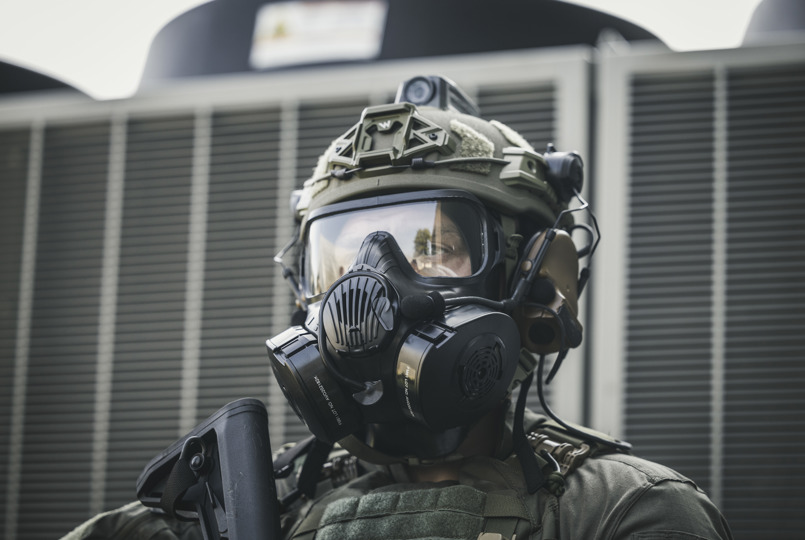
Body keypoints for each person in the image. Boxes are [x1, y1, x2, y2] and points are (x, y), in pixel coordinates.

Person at [62, 76, 732, 540]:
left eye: (431, 247)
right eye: (340, 258)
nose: (370, 284)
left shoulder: (621, 511)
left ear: (536, 279)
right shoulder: (224, 511)